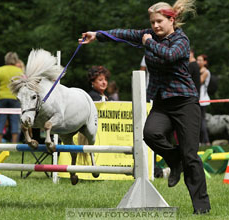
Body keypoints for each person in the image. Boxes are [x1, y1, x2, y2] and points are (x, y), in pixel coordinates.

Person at [78, 0, 210, 214]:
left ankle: (201, 208)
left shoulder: (181, 40)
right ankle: (175, 162)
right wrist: (98, 34)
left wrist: (148, 42)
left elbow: (169, 56)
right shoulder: (149, 35)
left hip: (185, 102)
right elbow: (124, 33)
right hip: (161, 102)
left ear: (171, 20)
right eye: (152, 22)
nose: (156, 26)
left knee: (191, 155)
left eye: (159, 21)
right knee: (150, 133)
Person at [0, 52, 23, 143]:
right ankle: (14, 143)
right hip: (15, 98)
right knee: (15, 120)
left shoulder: (0, 70)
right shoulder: (19, 71)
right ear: (15, 60)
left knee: (1, 119)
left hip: (2, 97)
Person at [197, 54, 211, 146]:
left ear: (205, 62)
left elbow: (199, 81)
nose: (198, 62)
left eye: (200, 60)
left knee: (201, 121)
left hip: (203, 100)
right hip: (197, 99)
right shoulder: (198, 71)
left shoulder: (206, 72)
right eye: (197, 60)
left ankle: (206, 141)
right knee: (198, 120)